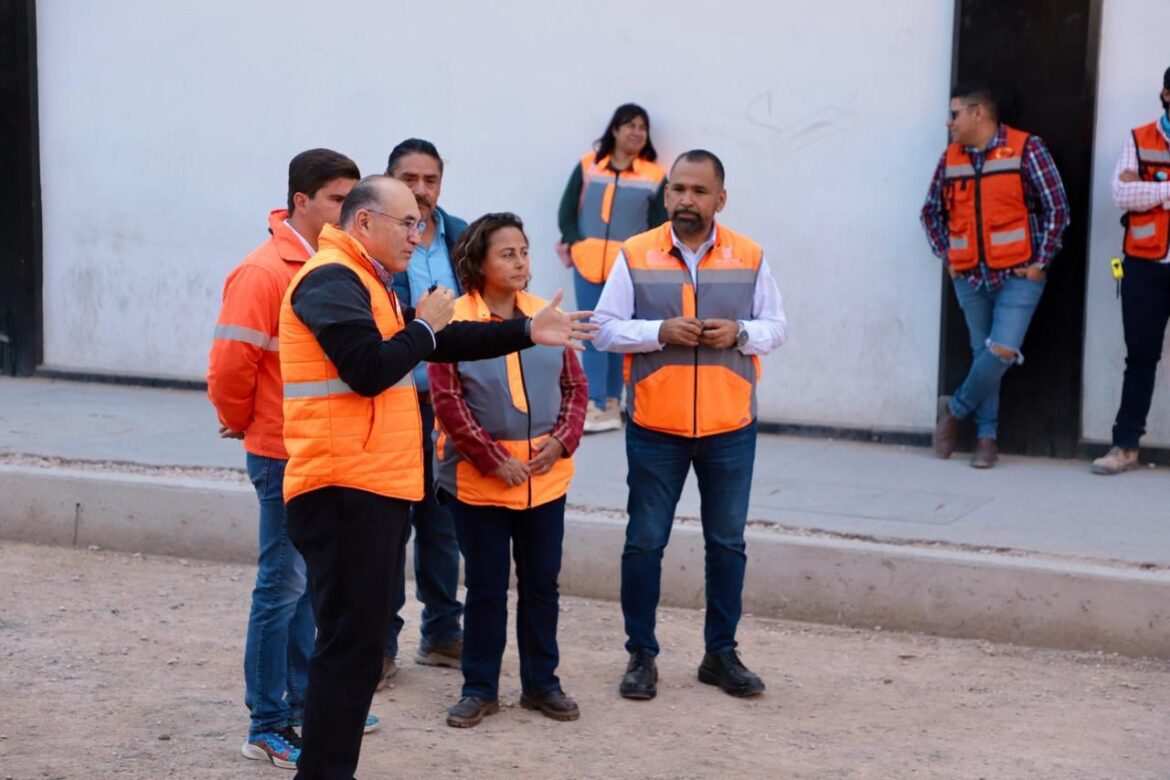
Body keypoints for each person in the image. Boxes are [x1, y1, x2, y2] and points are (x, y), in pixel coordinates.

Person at [278, 175, 595, 778]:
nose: (417, 235)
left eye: (420, 224)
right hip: (343, 487)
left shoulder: (367, 279)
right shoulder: (330, 278)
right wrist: (422, 328)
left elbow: (444, 342)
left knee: (357, 647)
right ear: (364, 222)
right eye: (407, 223)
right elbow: (369, 368)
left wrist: (526, 331)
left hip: (372, 484)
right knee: (348, 649)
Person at [593, 150, 787, 701]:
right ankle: (641, 655)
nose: (686, 199)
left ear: (719, 199)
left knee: (726, 544)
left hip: (730, 426)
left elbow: (777, 326)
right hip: (656, 426)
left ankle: (720, 655)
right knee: (644, 542)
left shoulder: (749, 254)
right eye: (678, 189)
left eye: (699, 191)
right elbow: (603, 329)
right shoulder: (635, 253)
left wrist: (741, 333)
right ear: (666, 194)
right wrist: (659, 331)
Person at [206, 148, 361, 771]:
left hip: (318, 451)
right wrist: (243, 420)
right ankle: (267, 723)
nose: (347, 211)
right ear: (301, 201)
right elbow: (229, 365)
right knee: (282, 586)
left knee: (306, 587)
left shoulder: (334, 263)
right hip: (280, 452)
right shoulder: (265, 271)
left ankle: (306, 704)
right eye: (336, 200)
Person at [429, 213, 588, 728]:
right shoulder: (453, 322)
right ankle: (479, 689)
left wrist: (561, 442)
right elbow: (448, 401)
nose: (520, 262)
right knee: (486, 588)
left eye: (524, 252)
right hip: (479, 484)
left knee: (542, 585)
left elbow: (575, 388)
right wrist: (493, 458)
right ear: (478, 263)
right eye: (507, 254)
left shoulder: (546, 314)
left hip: (545, 481)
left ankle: (542, 685)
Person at [920, 84, 1070, 468]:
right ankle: (986, 439)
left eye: (955, 114)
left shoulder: (1026, 148)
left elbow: (1057, 208)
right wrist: (948, 256)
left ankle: (954, 409)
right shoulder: (950, 159)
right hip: (969, 277)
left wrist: (1041, 262)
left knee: (1001, 350)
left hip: (1019, 275)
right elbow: (930, 213)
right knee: (981, 354)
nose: (949, 123)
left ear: (978, 113)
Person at [377, 139, 468, 684]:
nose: (420, 189)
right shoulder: (377, 240)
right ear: (389, 180)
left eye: (430, 179)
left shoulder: (461, 236)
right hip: (395, 403)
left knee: (443, 525)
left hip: (450, 406)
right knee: (391, 529)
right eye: (409, 179)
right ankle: (381, 645)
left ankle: (441, 634)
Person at [557, 103, 667, 433]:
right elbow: (566, 211)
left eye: (642, 127)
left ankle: (611, 404)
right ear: (615, 130)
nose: (636, 132)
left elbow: (660, 224)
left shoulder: (654, 176)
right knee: (591, 331)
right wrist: (576, 243)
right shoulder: (589, 166)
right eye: (630, 125)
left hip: (628, 268)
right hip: (588, 264)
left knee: (620, 333)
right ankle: (594, 402)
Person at [1091, 67, 1170, 475]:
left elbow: (1135, 189)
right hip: (1143, 265)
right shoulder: (1139, 138)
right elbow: (1121, 192)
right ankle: (1125, 446)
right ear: (1167, 94)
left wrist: (1148, 188)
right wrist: (1166, 190)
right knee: (1140, 357)